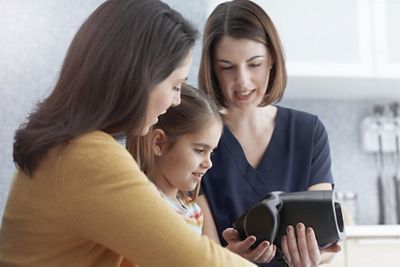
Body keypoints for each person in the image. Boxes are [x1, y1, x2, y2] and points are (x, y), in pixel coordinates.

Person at [0, 1, 256, 266]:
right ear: (141, 78)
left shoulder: (64, 146)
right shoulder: (88, 157)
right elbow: (195, 260)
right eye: (175, 85)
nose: (176, 101)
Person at [197, 1, 341, 266]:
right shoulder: (198, 138)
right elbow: (204, 250)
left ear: (272, 59)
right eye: (227, 67)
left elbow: (326, 236)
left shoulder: (308, 132)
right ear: (212, 69)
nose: (242, 81)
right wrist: (230, 258)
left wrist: (312, 255)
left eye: (254, 64)